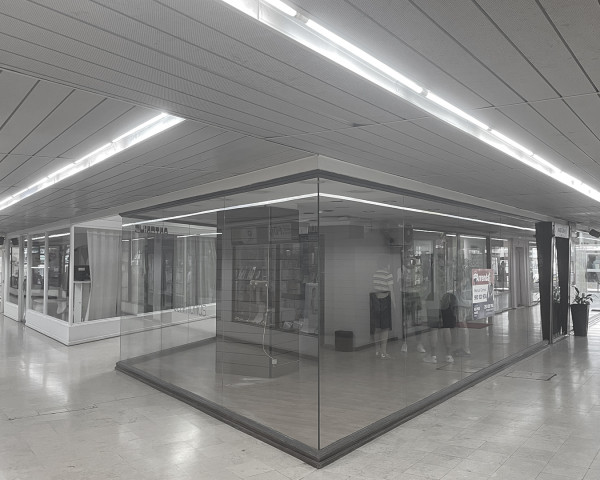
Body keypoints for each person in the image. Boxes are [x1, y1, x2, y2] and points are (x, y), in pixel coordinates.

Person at [371, 257, 395, 359]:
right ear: (386, 264)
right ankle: (383, 352)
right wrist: (394, 304)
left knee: (377, 327)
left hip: (375, 301)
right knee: (385, 328)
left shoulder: (375, 274)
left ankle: (377, 350)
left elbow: (373, 288)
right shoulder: (388, 274)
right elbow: (391, 290)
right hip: (385, 301)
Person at [423, 292, 458, 364]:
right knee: (446, 328)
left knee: (434, 329)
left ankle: (433, 356)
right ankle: (448, 355)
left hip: (435, 301)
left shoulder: (432, 294)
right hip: (446, 301)